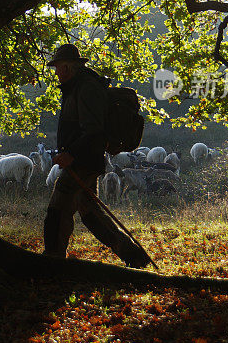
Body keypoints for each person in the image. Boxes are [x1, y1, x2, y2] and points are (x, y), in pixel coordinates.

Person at [43, 43, 149, 268]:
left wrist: (71, 153)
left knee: (58, 209)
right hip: (83, 160)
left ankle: (52, 263)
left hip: (82, 161)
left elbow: (93, 130)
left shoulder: (86, 88)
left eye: (58, 67)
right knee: (91, 212)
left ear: (67, 67)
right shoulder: (76, 87)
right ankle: (134, 256)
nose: (56, 72)